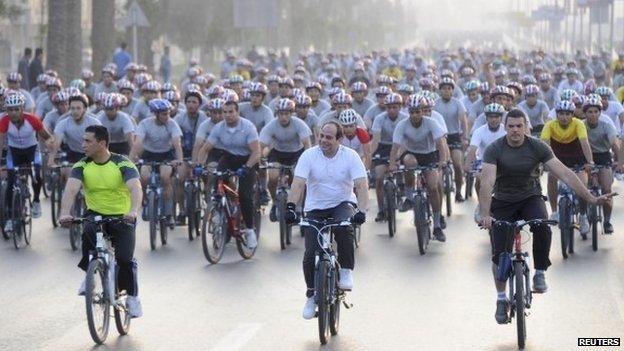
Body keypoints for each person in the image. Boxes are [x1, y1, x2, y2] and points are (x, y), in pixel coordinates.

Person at [478, 108, 612, 324]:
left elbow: (566, 173)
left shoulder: (537, 146)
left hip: (531, 197)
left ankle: (539, 272)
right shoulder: (495, 149)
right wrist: (485, 214)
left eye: (519, 126)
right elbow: (487, 182)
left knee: (542, 226)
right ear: (505, 128)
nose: (515, 130)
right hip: (502, 201)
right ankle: (501, 299)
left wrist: (591, 198)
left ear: (526, 127)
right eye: (510, 126)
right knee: (500, 255)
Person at [285, 121, 368, 320]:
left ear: (339, 139)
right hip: (315, 208)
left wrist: (362, 211)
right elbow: (298, 184)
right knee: (310, 252)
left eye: (329, 137)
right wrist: (290, 207)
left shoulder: (350, 156)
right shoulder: (308, 155)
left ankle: (346, 270)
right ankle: (312, 294)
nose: (323, 140)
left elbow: (362, 185)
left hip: (342, 203)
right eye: (321, 136)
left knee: (344, 229)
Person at [59, 125, 143, 318]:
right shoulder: (82, 165)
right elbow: (71, 190)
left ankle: (132, 297)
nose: (83, 145)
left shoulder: (122, 163)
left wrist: (132, 211)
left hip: (122, 216)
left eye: (88, 141)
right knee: (88, 231)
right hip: (95, 214)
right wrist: (64, 212)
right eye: (83, 140)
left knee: (124, 259)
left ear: (102, 143)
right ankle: (90, 276)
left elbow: (136, 188)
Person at [196, 99, 261, 249]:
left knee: (245, 195)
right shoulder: (219, 128)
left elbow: (256, 152)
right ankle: (218, 209)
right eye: (225, 112)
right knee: (216, 180)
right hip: (228, 158)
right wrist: (199, 165)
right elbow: (205, 149)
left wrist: (247, 167)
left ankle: (250, 230)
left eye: (231, 112)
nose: (227, 115)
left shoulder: (248, 127)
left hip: (247, 160)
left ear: (237, 112)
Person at [390, 95, 448, 240]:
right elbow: (395, 147)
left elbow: (441, 144)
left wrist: (442, 161)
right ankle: (409, 197)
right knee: (409, 164)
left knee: (433, 187)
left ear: (423, 111)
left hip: (430, 154)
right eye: (412, 112)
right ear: (408, 111)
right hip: (411, 153)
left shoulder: (431, 123)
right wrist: (391, 164)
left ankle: (437, 225)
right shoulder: (402, 125)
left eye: (418, 111)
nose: (415, 115)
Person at [0, 92, 53, 232]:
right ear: (6, 110)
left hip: (32, 151)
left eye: (16, 109)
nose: (13, 113)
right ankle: (10, 218)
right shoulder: (4, 121)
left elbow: (46, 137)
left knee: (36, 174)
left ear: (22, 109)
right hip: (14, 152)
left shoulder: (32, 119)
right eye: (10, 110)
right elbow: (0, 142)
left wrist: (52, 150)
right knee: (10, 182)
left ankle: (36, 200)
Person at [541, 100, 593, 239]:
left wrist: (590, 161)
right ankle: (554, 211)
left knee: (582, 186)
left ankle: (582, 216)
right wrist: (543, 163)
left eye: (567, 114)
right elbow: (544, 145)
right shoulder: (549, 125)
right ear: (556, 114)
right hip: (558, 160)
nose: (564, 117)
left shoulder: (578, 124)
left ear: (572, 114)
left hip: (578, 161)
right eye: (561, 114)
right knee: (551, 178)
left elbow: (584, 143)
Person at [129, 99, 183, 226]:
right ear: (156, 114)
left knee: (165, 177)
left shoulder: (172, 124)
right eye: (164, 114)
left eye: (168, 113)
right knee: (144, 176)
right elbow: (137, 143)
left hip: (166, 155)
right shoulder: (145, 124)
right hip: (149, 154)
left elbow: (177, 144)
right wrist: (130, 159)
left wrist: (179, 160)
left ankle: (169, 213)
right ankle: (146, 200)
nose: (167, 116)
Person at [259, 98, 312, 222]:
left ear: (291, 113)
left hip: (296, 154)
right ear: (277, 114)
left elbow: (307, 145)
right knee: (272, 177)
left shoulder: (299, 124)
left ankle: (298, 208)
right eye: (281, 114)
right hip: (277, 154)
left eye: (286, 114)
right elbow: (261, 145)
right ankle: (275, 203)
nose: (283, 117)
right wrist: (261, 158)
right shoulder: (271, 125)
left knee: (298, 181)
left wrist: (307, 161)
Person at [582, 97, 623, 234]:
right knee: (582, 188)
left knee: (606, 189)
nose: (593, 115)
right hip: (586, 158)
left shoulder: (606, 125)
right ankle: (581, 213)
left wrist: (620, 163)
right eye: (589, 112)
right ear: (585, 113)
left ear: (600, 113)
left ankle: (607, 221)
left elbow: (615, 144)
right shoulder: (580, 125)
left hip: (604, 157)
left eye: (595, 111)